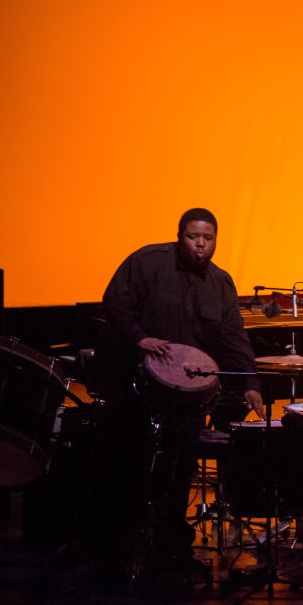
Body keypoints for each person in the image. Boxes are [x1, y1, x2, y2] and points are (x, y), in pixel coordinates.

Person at [89, 208, 264, 581]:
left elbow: (233, 336)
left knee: (180, 470)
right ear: (179, 235)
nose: (200, 245)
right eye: (192, 237)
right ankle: (118, 550)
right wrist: (140, 337)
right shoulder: (148, 262)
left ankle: (171, 548)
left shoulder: (221, 282)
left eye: (208, 238)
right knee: (130, 467)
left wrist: (250, 383)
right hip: (135, 388)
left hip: (186, 398)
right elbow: (116, 303)